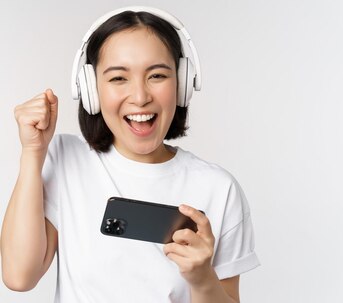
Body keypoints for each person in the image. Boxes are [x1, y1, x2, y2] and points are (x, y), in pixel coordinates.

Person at [0, 6, 260, 303]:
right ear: (90, 90)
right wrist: (33, 153)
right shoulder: (65, 160)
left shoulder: (218, 187)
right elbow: (19, 276)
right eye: (118, 78)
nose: (139, 97)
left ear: (183, 84)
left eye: (157, 75)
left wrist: (202, 278)